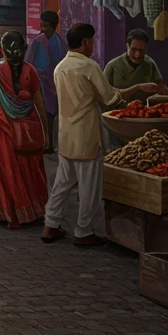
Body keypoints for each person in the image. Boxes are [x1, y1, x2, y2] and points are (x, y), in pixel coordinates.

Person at [41, 23, 122, 247]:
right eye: (92, 41)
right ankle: (84, 231)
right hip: (87, 135)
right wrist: (133, 92)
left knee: (62, 183)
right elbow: (110, 98)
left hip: (66, 134)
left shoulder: (60, 67)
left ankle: (51, 224)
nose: (93, 45)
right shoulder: (89, 66)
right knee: (89, 188)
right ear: (86, 42)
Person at [0, 32, 49, 227]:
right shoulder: (30, 71)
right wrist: (46, 132)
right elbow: (41, 106)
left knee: (3, 173)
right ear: (24, 49)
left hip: (0, 132)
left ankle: (4, 213)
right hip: (28, 131)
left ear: (1, 50)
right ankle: (29, 212)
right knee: (29, 171)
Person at [24, 11, 67, 154]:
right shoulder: (36, 42)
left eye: (46, 26)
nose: (42, 28)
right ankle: (42, 142)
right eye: (41, 25)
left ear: (53, 27)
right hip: (39, 84)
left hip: (55, 84)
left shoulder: (60, 42)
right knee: (41, 114)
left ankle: (51, 144)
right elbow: (28, 63)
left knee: (53, 115)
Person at [103, 29, 168, 99]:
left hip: (143, 108)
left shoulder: (149, 63)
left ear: (146, 49)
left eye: (142, 50)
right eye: (133, 50)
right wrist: (138, 87)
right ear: (127, 46)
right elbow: (106, 95)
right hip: (119, 108)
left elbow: (161, 88)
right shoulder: (112, 66)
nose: (137, 55)